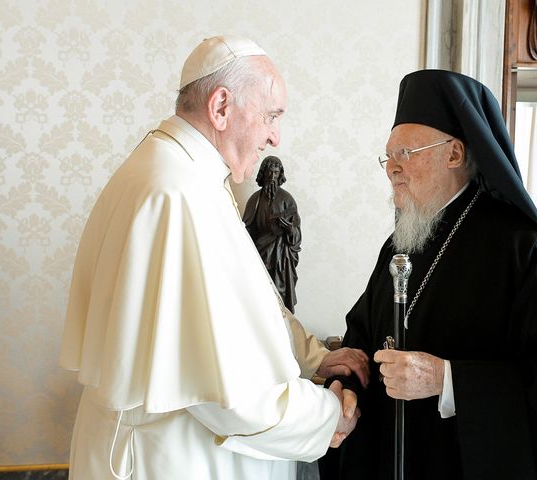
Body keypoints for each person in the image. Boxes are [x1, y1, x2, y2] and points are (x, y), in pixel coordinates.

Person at [59, 35, 369, 480]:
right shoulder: (177, 193)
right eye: (270, 116)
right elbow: (227, 397)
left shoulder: (183, 172)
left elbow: (247, 299)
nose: (274, 136)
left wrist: (310, 356)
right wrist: (325, 415)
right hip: (169, 460)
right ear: (221, 106)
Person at [319, 70, 537, 479]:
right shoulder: (400, 244)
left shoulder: (526, 249)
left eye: (405, 153)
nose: (391, 168)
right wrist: (348, 389)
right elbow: (363, 335)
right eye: (388, 156)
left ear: (455, 154)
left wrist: (448, 380)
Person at [243, 155, 302, 312]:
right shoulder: (254, 200)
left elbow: (296, 234)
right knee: (259, 297)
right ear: (263, 173)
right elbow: (246, 229)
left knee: (279, 298)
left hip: (280, 259)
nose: (272, 177)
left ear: (280, 174)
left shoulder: (287, 200)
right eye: (269, 172)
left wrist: (289, 229)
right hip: (258, 256)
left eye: (276, 173)